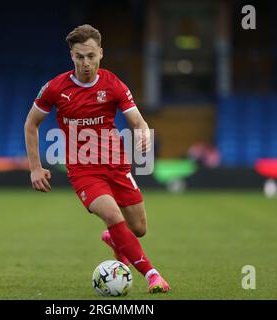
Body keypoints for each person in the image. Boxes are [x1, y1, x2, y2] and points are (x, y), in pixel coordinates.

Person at [24, 24, 170, 293]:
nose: (86, 63)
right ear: (72, 56)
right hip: (83, 170)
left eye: (91, 56)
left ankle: (116, 240)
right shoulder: (55, 88)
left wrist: (142, 133)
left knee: (138, 228)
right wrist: (35, 167)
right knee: (113, 215)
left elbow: (137, 119)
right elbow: (31, 124)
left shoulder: (113, 83)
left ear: (101, 53)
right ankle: (152, 275)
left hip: (116, 164)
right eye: (79, 56)